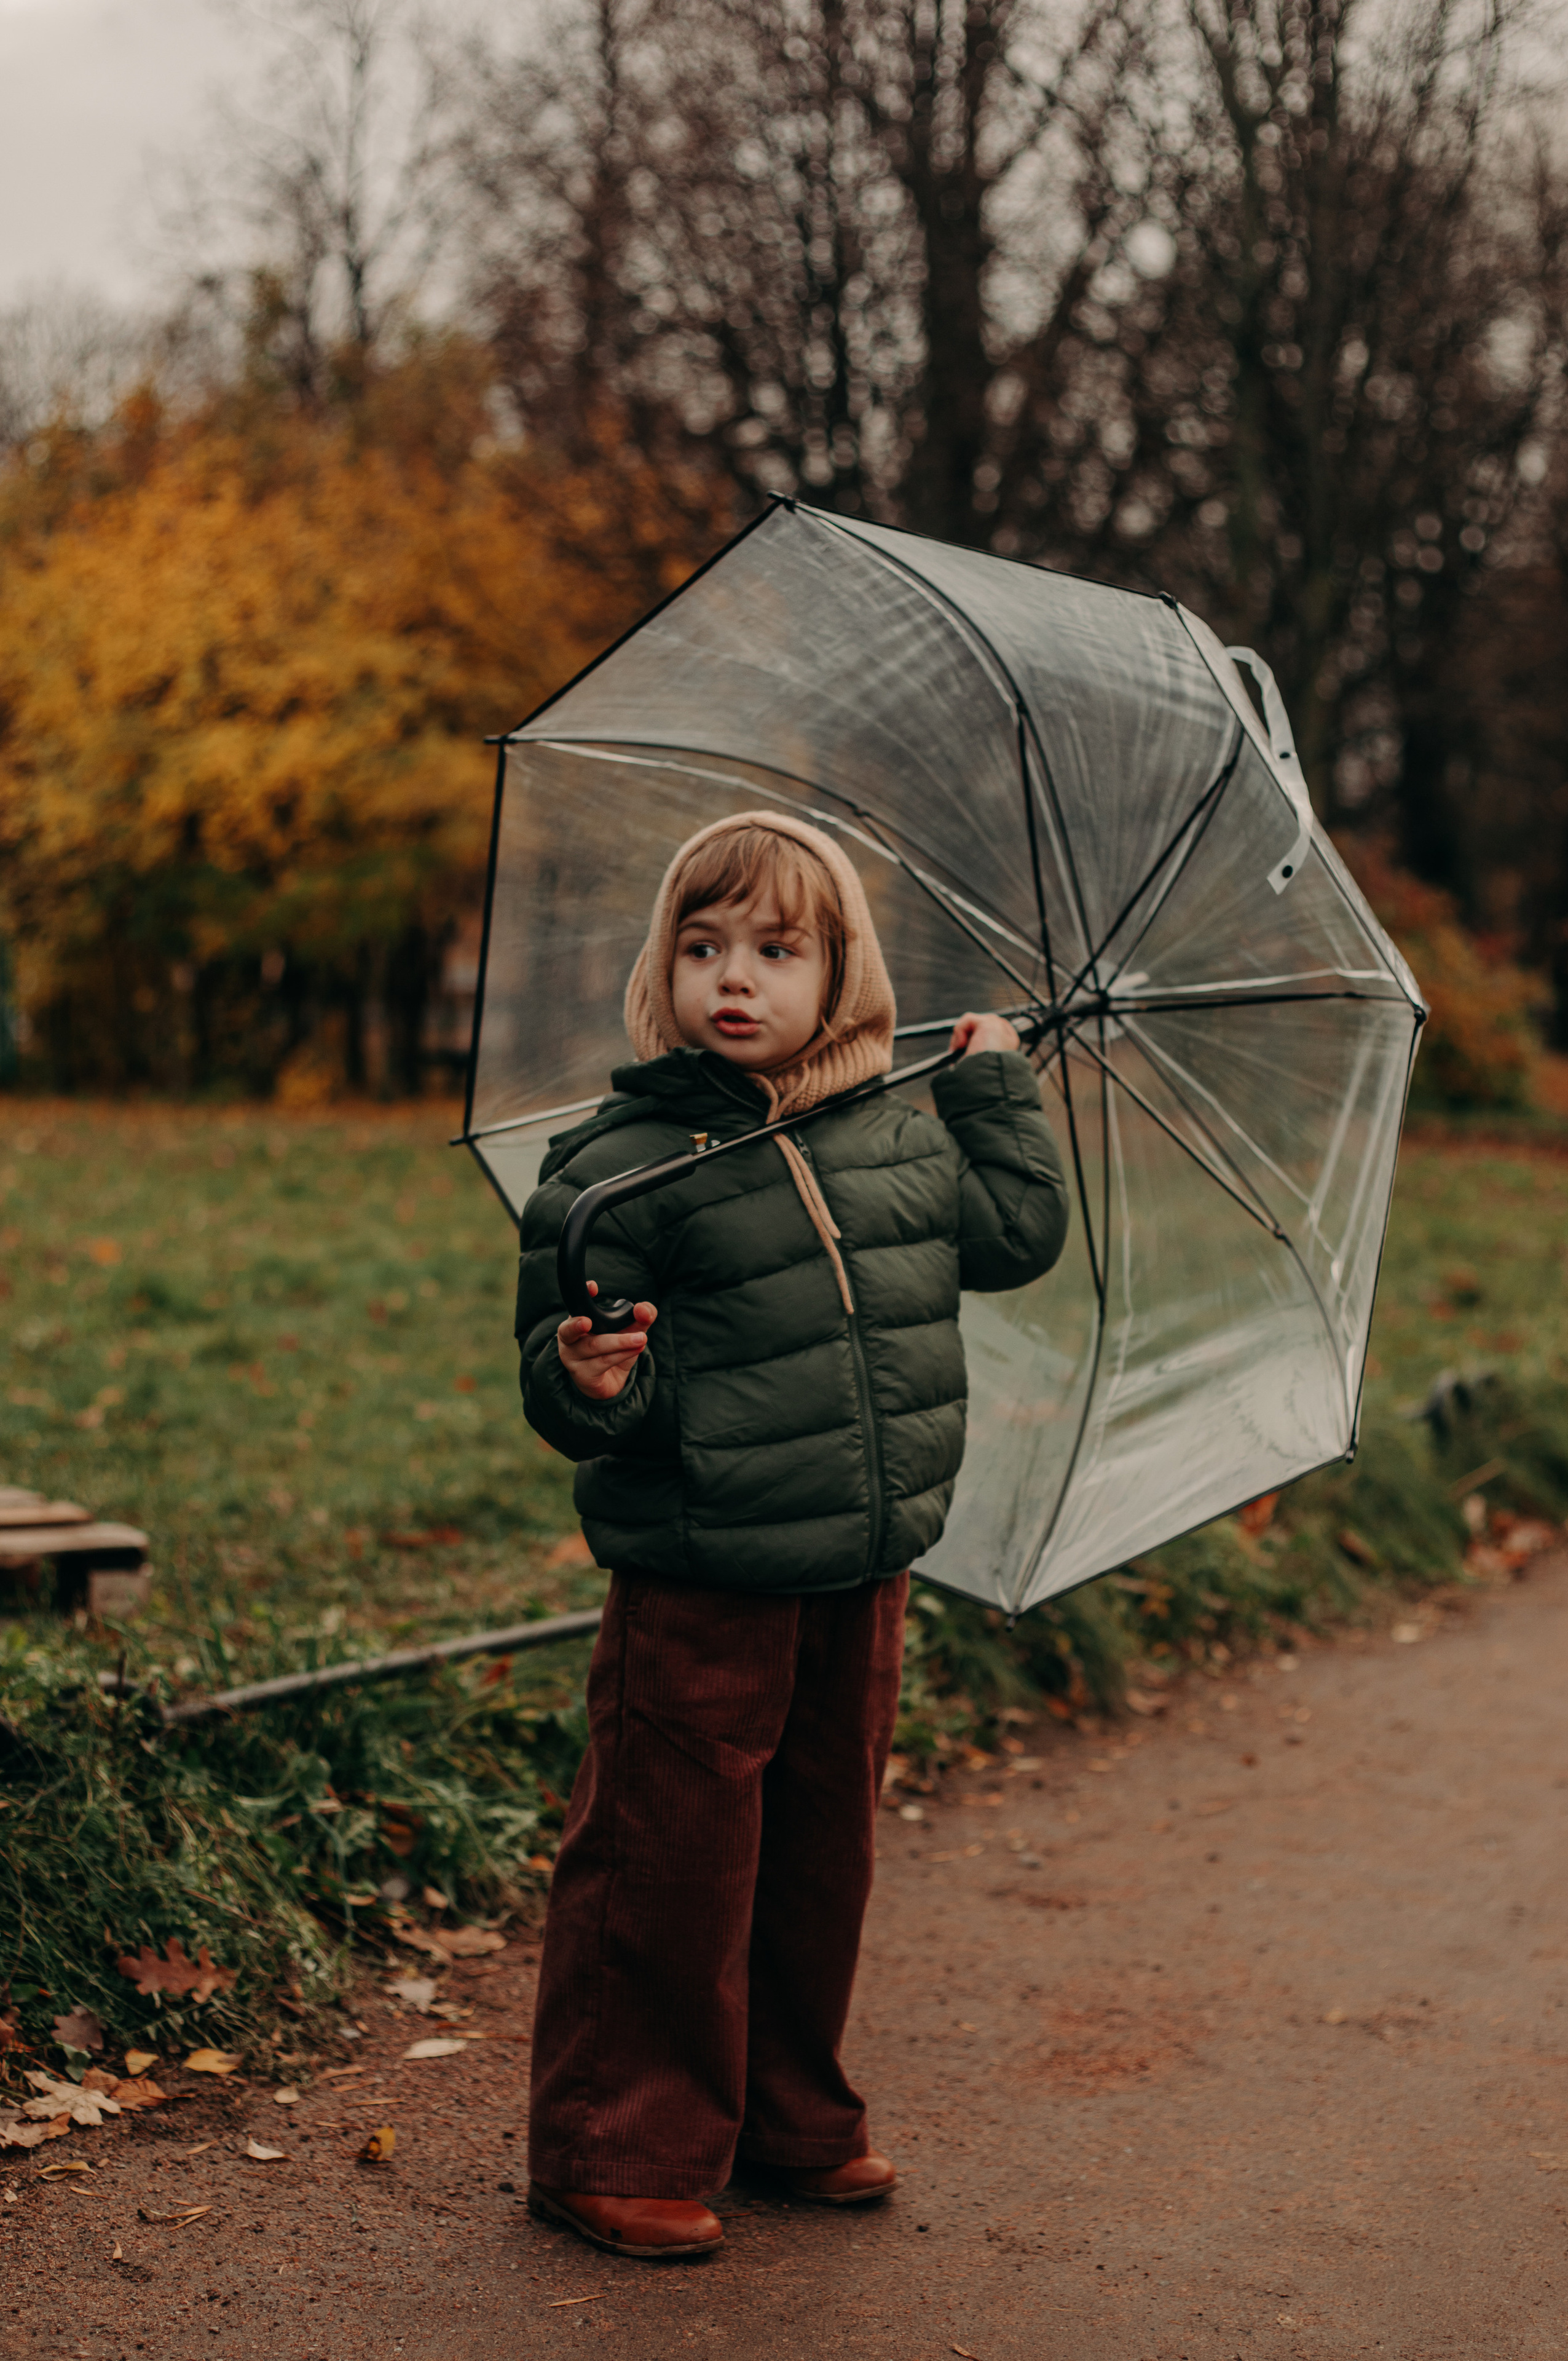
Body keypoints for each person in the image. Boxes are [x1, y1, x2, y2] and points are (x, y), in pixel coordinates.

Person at [514, 810, 1068, 2260]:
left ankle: (785, 2114)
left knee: (817, 1855)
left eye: (775, 950)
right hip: (701, 1566)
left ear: (845, 976)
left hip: (863, 1555)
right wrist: (587, 1381)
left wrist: (997, 1091)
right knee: (670, 1858)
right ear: (664, 971)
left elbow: (1010, 1238)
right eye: (703, 950)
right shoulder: (622, 1157)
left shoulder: (888, 1128)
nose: (735, 979)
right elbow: (562, 1373)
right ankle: (613, 2140)